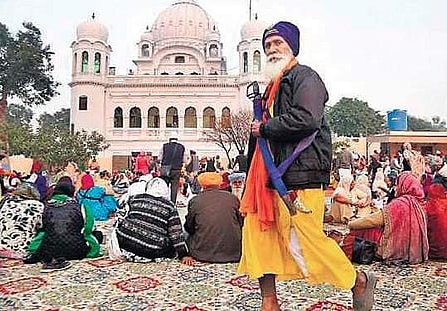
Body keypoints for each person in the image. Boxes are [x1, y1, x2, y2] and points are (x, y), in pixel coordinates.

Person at [237, 22, 376, 311]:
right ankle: (269, 301)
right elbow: (260, 135)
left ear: (292, 46)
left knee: (307, 240)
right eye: (268, 45)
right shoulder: (271, 89)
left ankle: (357, 281)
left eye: (278, 43)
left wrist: (265, 128)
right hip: (267, 178)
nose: (272, 49)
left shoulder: (305, 77)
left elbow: (307, 118)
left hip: (298, 174)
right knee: (259, 238)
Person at [348, 172, 429, 264]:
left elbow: (374, 221)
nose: (396, 187)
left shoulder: (399, 204)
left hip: (395, 246)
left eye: (398, 184)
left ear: (403, 186)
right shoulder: (420, 203)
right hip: (414, 248)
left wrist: (352, 224)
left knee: (363, 229)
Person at [27, 177, 102, 272]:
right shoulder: (82, 207)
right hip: (77, 250)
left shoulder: (43, 207)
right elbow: (88, 230)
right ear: (71, 192)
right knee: (98, 235)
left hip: (49, 250)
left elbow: (40, 229)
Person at [114, 177, 195, 265]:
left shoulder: (135, 198)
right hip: (152, 249)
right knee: (172, 246)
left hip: (125, 242)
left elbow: (120, 217)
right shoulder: (169, 206)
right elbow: (175, 233)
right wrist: (183, 254)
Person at [184, 172, 243, 263]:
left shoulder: (195, 200)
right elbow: (241, 223)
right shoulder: (232, 198)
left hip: (202, 254)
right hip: (234, 253)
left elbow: (189, 227)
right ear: (219, 184)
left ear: (202, 185)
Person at [159, 132, 186, 204]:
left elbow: (160, 158)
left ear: (169, 139)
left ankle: (164, 201)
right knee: (174, 186)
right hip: (177, 169)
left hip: (165, 168)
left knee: (164, 186)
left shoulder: (164, 146)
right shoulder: (181, 147)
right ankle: (172, 203)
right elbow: (185, 159)